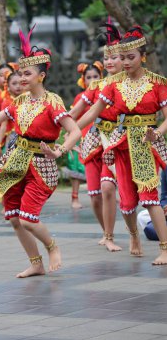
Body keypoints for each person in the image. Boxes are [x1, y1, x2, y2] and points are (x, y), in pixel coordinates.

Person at [0, 26, 81, 277]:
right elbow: (1, 115)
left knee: (27, 218)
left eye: (27, 74)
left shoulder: (52, 102)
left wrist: (61, 150)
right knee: (13, 218)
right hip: (17, 160)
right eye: (20, 73)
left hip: (41, 165)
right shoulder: (20, 101)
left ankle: (52, 247)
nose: (22, 78)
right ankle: (36, 263)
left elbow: (74, 130)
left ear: (41, 76)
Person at [77, 25, 167, 265]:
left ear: (142, 57)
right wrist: (70, 130)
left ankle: (165, 248)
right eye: (122, 58)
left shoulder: (157, 83)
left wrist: (157, 133)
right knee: (127, 202)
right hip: (121, 144)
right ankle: (134, 235)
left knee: (150, 198)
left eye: (130, 57)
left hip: (146, 145)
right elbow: (93, 111)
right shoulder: (113, 85)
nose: (125, 62)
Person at [70, 21, 123, 251]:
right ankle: (107, 233)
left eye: (115, 57)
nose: (110, 61)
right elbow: (76, 112)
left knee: (123, 192)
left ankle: (129, 234)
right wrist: (60, 129)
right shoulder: (96, 88)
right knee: (96, 194)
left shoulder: (134, 84)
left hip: (124, 139)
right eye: (107, 57)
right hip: (96, 140)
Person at [64, 62, 102, 209]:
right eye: (89, 77)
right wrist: (70, 136)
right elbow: (71, 117)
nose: (92, 80)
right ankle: (75, 198)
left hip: (101, 135)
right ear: (83, 80)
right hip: (83, 135)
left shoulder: (104, 93)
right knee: (77, 169)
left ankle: (105, 194)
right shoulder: (81, 97)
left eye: (95, 76)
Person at [0, 70, 23, 157]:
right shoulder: (7, 103)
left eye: (21, 83)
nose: (18, 86)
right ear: (7, 86)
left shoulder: (29, 99)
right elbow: (3, 124)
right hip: (13, 137)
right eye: (14, 84)